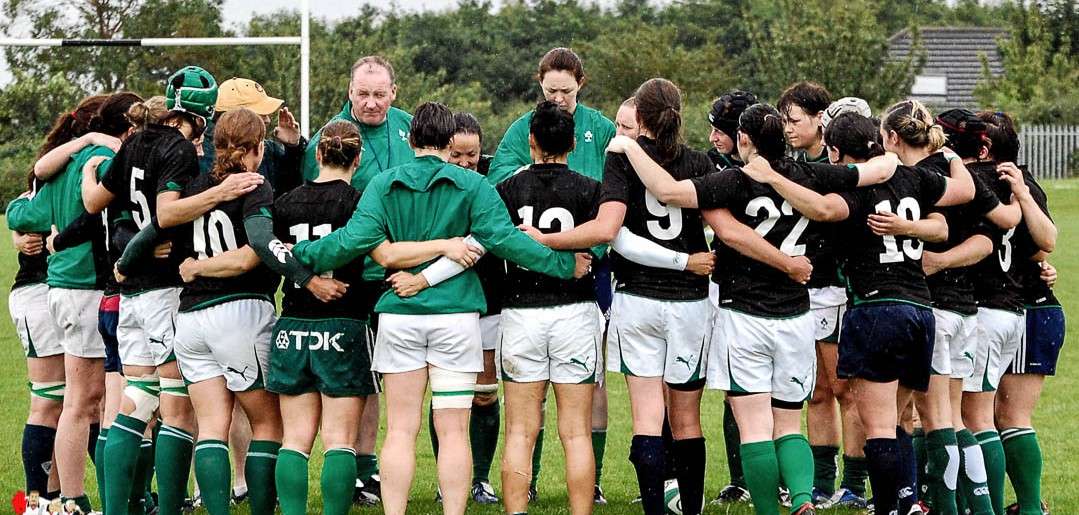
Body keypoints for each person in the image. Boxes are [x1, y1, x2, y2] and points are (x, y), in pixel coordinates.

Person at [290, 101, 588, 515]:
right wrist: (563, 264)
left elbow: (348, 242)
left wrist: (302, 252)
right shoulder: (473, 186)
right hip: (455, 317)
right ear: (450, 142)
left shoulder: (384, 184)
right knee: (453, 432)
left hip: (400, 315)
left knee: (399, 431)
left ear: (410, 139)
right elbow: (508, 241)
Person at [735, 107, 974, 515]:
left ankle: (889, 508)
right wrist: (913, 224)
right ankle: (909, 503)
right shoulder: (913, 177)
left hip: (878, 308)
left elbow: (824, 210)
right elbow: (953, 211)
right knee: (899, 420)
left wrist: (772, 177)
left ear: (833, 150)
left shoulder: (855, 190)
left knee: (877, 426)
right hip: (921, 309)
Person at [488, 47, 617, 502]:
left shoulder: (600, 129)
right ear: (539, 85)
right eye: (551, 90)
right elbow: (610, 216)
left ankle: (534, 501)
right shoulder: (525, 134)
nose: (559, 97)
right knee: (572, 426)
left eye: (566, 90)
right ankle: (562, 494)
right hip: (571, 291)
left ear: (581, 84)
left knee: (522, 423)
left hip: (542, 297)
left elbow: (491, 228)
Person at [11, 93, 131, 513]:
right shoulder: (102, 158)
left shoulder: (59, 166)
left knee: (75, 401)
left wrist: (32, 233)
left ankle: (53, 499)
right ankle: (60, 500)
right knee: (77, 401)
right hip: (81, 287)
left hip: (58, 288)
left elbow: (22, 213)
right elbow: (94, 215)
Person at [983, 111, 1059, 515]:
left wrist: (1025, 197)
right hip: (1008, 309)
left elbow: (1046, 242)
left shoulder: (1018, 184)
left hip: (1029, 310)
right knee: (987, 416)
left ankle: (1030, 507)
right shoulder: (977, 181)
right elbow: (1036, 252)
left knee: (1010, 416)